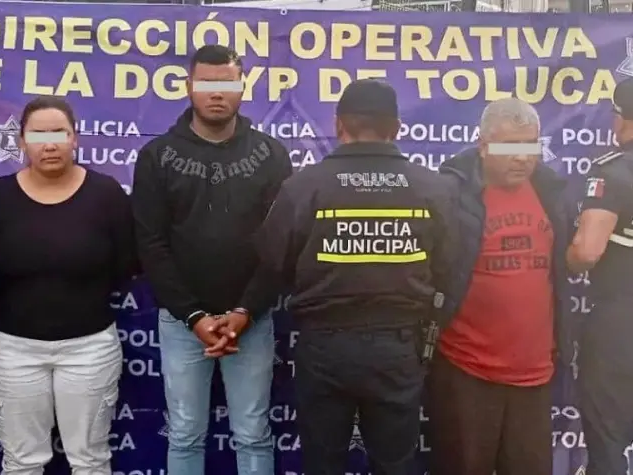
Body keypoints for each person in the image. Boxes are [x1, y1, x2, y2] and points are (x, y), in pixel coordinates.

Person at [244, 79, 457, 475]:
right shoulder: (433, 188)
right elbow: (449, 266)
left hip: (325, 346)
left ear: (339, 124)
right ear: (396, 128)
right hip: (399, 345)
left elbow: (273, 260)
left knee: (323, 464)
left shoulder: (304, 186)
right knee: (395, 463)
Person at [132, 44, 292, 475]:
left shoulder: (272, 155)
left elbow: (280, 245)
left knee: (253, 434)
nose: (216, 93)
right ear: (188, 87)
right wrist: (193, 316)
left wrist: (245, 311)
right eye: (205, 83)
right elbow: (151, 245)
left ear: (243, 87)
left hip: (251, 321)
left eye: (226, 83)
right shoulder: (157, 156)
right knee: (185, 434)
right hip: (182, 323)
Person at [0, 96, 140, 475]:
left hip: (89, 348)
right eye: (38, 134)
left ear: (74, 138)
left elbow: (127, 263)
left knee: (89, 460)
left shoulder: (106, 194)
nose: (49, 144)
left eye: (59, 133)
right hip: (15, 349)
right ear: (21, 141)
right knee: (22, 462)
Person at [428, 97, 574, 475]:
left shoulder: (551, 191)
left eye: (530, 146)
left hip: (535, 373)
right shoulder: (452, 194)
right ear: (483, 145)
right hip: (466, 370)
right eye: (510, 147)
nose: (522, 158)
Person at [567, 77, 633, 475]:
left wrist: (567, 260)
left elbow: (586, 251)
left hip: (620, 327)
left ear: (619, 118)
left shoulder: (614, 171)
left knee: (608, 444)